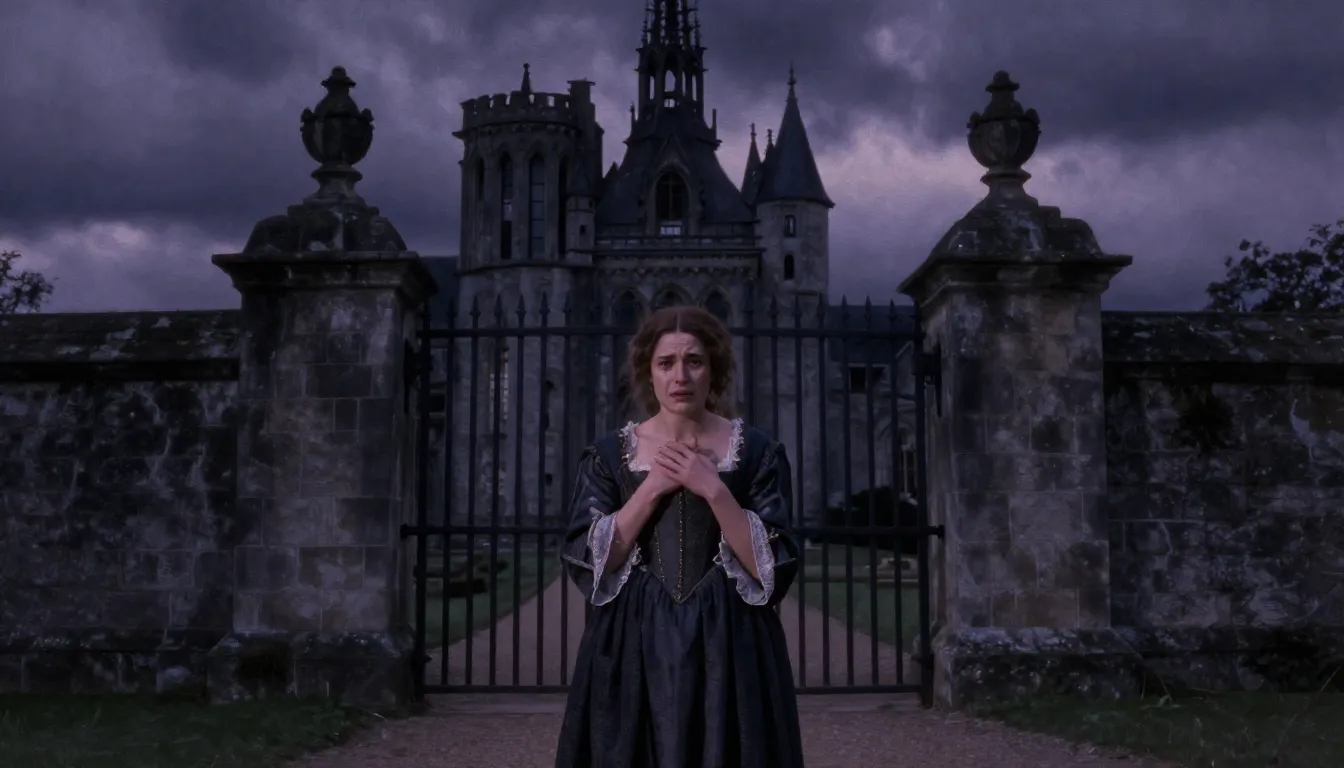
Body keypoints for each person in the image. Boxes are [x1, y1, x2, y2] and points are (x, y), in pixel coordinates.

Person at [554, 305, 805, 768]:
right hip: (633, 641)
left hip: (731, 643)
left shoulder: (758, 454)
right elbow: (587, 561)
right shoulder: (610, 456)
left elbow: (775, 568)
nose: (681, 375)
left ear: (715, 369)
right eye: (666, 363)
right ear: (649, 373)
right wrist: (652, 487)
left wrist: (712, 487)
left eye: (694, 361)